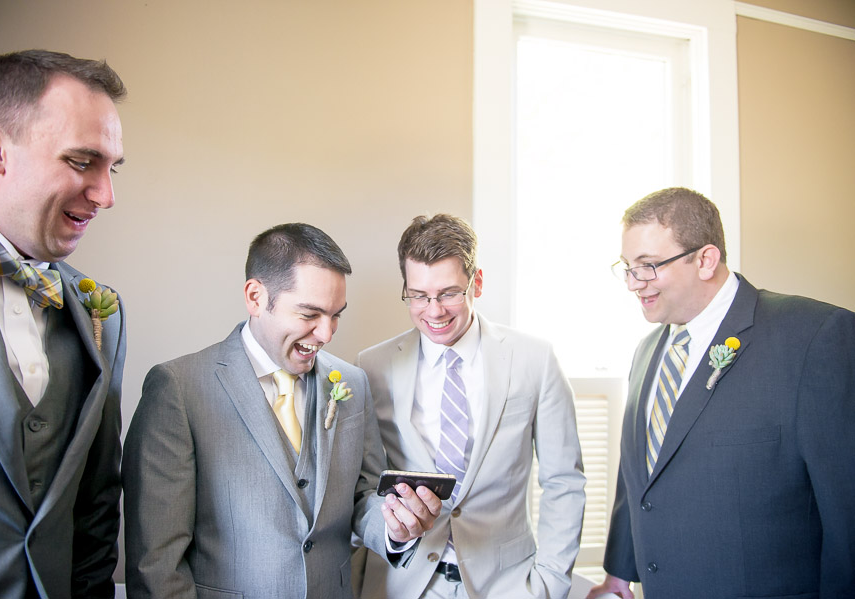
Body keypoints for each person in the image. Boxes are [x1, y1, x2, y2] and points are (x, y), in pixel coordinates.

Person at [123, 222, 442, 598]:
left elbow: (363, 495)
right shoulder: (179, 388)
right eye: (310, 314)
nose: (326, 334)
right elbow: (157, 562)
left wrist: (394, 528)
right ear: (256, 297)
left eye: (336, 314)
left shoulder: (353, 383)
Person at [588, 187, 855, 599]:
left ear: (705, 260)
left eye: (648, 266)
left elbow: (847, 506)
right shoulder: (647, 352)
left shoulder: (815, 336)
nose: (633, 283)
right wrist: (618, 576)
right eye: (627, 267)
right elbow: (638, 477)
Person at [0, 50, 127, 597]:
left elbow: (96, 504)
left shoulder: (101, 309)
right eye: (82, 162)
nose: (106, 195)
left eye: (112, 168)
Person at [357, 214, 585, 599]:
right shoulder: (372, 367)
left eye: (448, 293)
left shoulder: (534, 359)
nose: (434, 311)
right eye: (418, 295)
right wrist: (392, 535)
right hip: (403, 585)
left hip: (509, 586)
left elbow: (564, 481)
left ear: (476, 283)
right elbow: (363, 487)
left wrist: (550, 583)